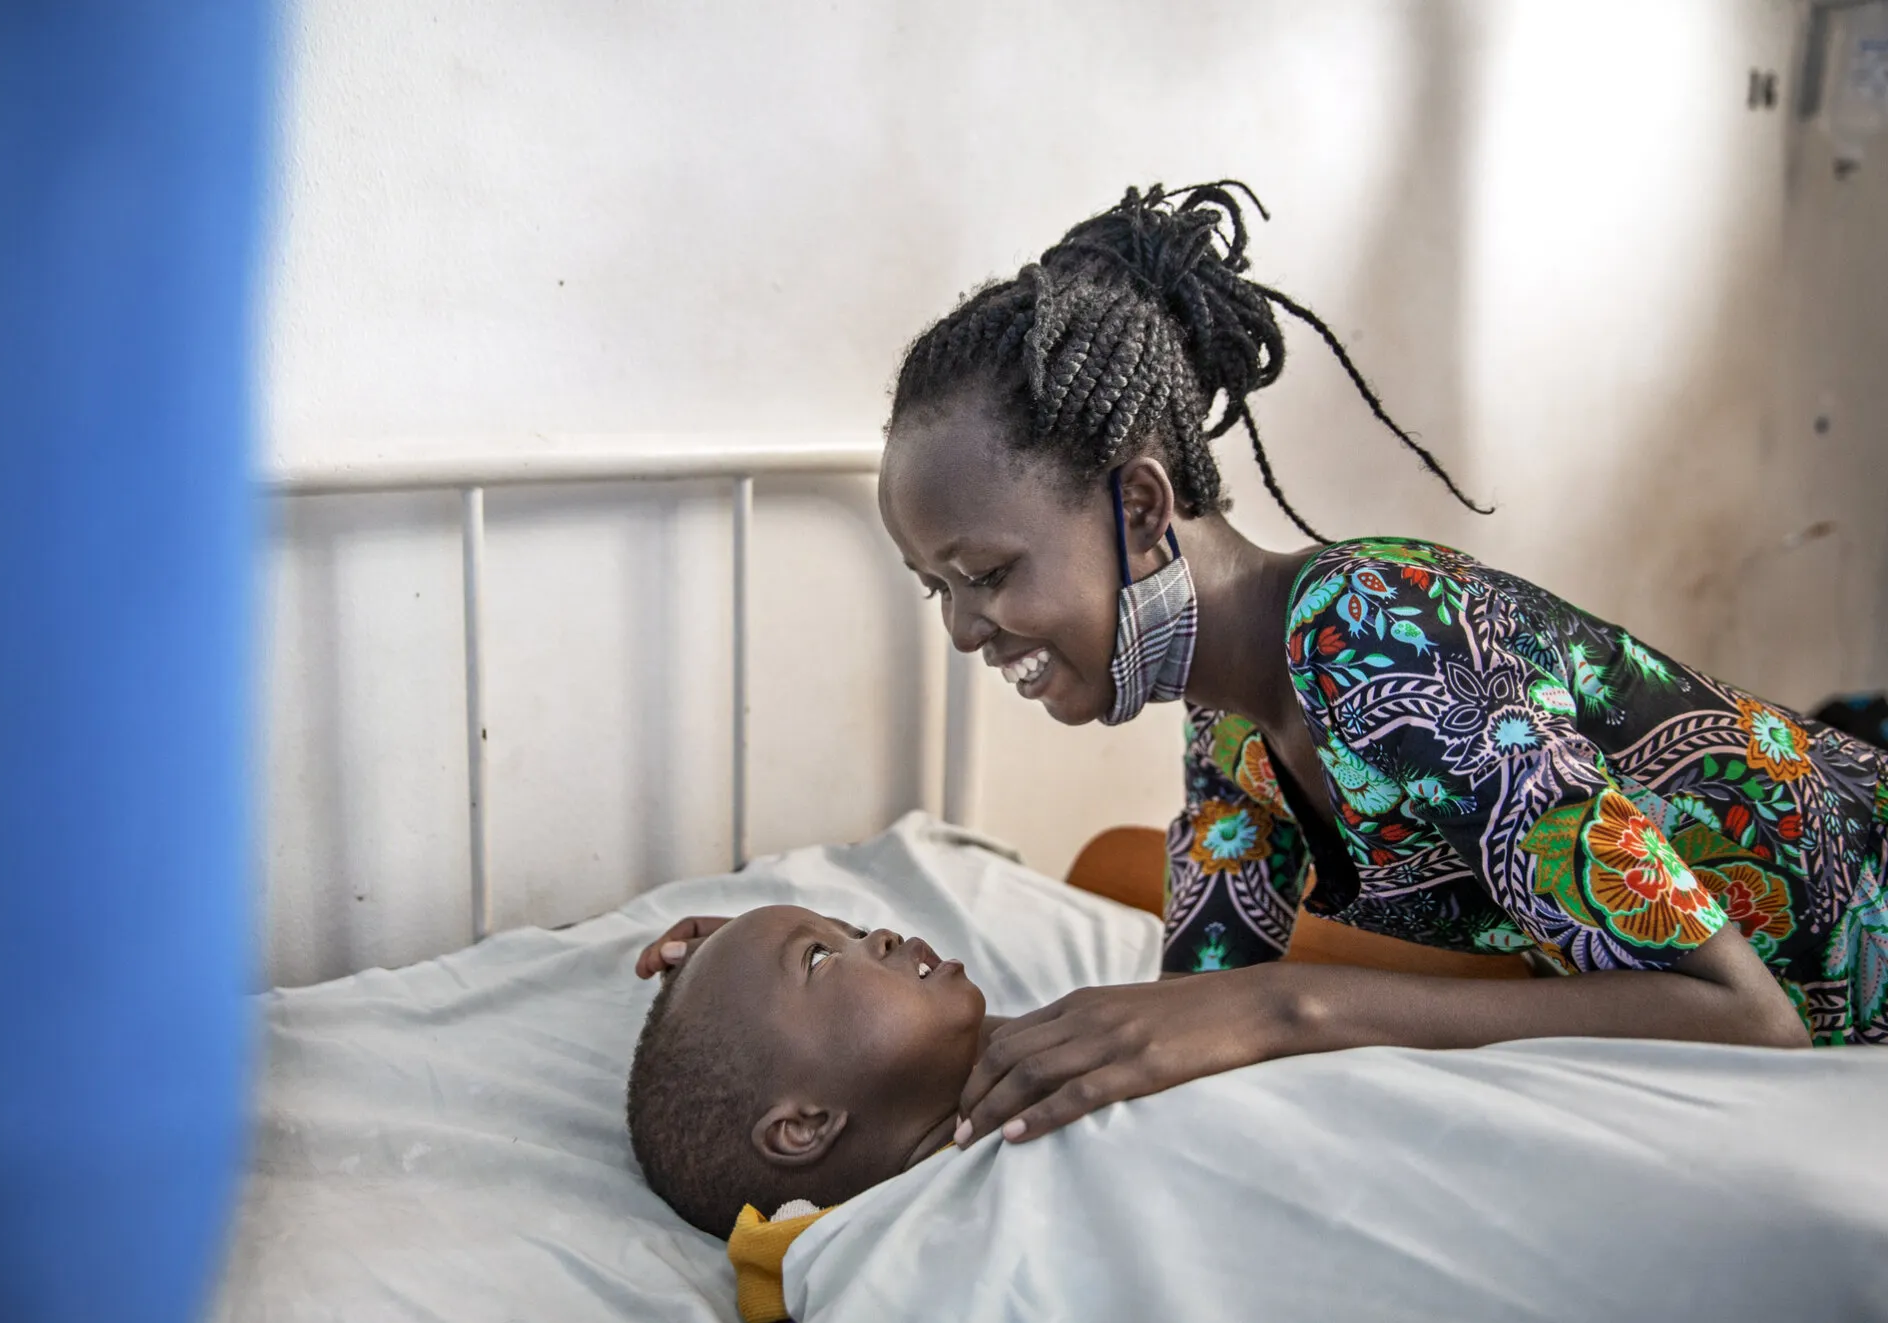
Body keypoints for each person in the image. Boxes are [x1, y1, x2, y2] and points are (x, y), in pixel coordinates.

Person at [637, 182, 1886, 1159]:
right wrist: (777, 1008)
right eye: (936, 591)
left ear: (1140, 507)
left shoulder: (1372, 635)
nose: (964, 631)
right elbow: (1177, 1022)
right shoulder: (1229, 727)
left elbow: (1742, 1016)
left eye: (987, 572)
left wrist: (1295, 1004)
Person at [627, 904, 999, 1239]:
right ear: (803, 1128)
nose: (883, 936)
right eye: (820, 957)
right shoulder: (921, 1259)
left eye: (857, 932)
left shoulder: (1018, 1078)